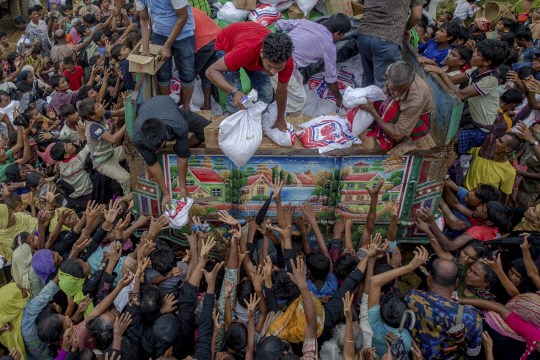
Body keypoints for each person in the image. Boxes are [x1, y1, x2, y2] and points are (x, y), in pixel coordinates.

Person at [425, 39, 508, 156]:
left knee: (446, 145)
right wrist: (434, 67)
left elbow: (460, 94)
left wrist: (440, 72)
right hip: (474, 121)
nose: (473, 55)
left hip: (482, 130)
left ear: (487, 62)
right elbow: (451, 80)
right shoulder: (475, 70)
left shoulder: (490, 80)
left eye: (477, 54)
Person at [206, 22, 294, 131]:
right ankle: (236, 129)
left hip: (249, 44)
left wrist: (280, 119)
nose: (273, 72)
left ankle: (253, 124)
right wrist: (234, 92)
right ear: (262, 54)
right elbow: (211, 71)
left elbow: (281, 91)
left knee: (266, 95)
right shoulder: (244, 51)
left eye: (278, 68)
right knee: (235, 98)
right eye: (270, 66)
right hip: (228, 44)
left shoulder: (286, 62)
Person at [131, 95, 210, 211]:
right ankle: (181, 146)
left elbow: (182, 157)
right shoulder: (137, 138)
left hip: (167, 104)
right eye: (153, 149)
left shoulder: (179, 125)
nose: (157, 152)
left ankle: (182, 146)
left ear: (166, 134)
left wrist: (183, 187)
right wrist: (166, 194)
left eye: (159, 147)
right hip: (147, 108)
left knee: (206, 129)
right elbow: (152, 163)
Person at [405, 258, 483, 358]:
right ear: (456, 283)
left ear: (429, 277)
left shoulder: (411, 298)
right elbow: (473, 352)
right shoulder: (471, 316)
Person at [273, 13, 351, 111]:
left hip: (270, 56)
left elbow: (279, 25)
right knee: (298, 103)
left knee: (298, 79)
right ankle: (285, 120)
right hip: (283, 66)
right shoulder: (329, 47)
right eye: (341, 35)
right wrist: (339, 98)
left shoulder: (306, 23)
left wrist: (279, 42)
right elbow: (331, 80)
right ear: (337, 33)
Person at [359, 61, 435, 156]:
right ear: (387, 78)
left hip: (420, 123)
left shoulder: (416, 100)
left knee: (389, 107)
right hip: (403, 108)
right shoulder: (392, 70)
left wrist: (373, 111)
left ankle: (408, 141)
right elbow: (385, 93)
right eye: (394, 89)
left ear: (410, 84)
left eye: (402, 91)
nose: (397, 94)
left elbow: (398, 135)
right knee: (375, 101)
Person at [136, 0, 197, 109]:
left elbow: (183, 17)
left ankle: (187, 107)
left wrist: (167, 46)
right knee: (162, 73)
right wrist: (146, 48)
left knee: (187, 73)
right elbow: (144, 19)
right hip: (159, 34)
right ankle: (166, 107)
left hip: (184, 34)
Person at [356, 0, 423, 87]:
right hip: (388, 36)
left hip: (364, 33)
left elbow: (360, 1)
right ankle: (378, 100)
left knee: (368, 77)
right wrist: (406, 27)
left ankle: (366, 99)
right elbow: (417, 16)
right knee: (385, 85)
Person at [78, 97, 129, 195]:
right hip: (104, 162)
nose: (101, 106)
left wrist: (130, 108)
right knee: (126, 178)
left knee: (131, 148)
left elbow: (118, 112)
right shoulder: (93, 127)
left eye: (98, 103)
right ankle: (129, 197)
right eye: (97, 106)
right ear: (92, 116)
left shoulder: (102, 114)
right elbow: (113, 139)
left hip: (111, 153)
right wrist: (127, 123)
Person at [463, 133, 521, 203]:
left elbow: (503, 196)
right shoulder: (480, 149)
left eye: (500, 141)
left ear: (508, 149)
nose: (494, 140)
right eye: (496, 137)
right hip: (463, 192)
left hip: (479, 205)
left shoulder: (509, 171)